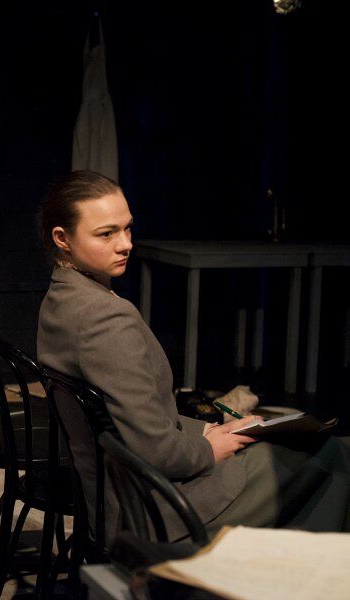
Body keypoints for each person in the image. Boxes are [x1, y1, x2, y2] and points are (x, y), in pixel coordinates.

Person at [36, 170, 350, 543]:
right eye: (107, 234)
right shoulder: (103, 318)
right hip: (156, 509)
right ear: (62, 238)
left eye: (128, 228)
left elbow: (133, 418)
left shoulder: (62, 296)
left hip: (121, 494)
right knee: (332, 455)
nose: (126, 244)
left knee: (299, 446)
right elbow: (157, 451)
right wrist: (209, 448)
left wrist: (208, 429)